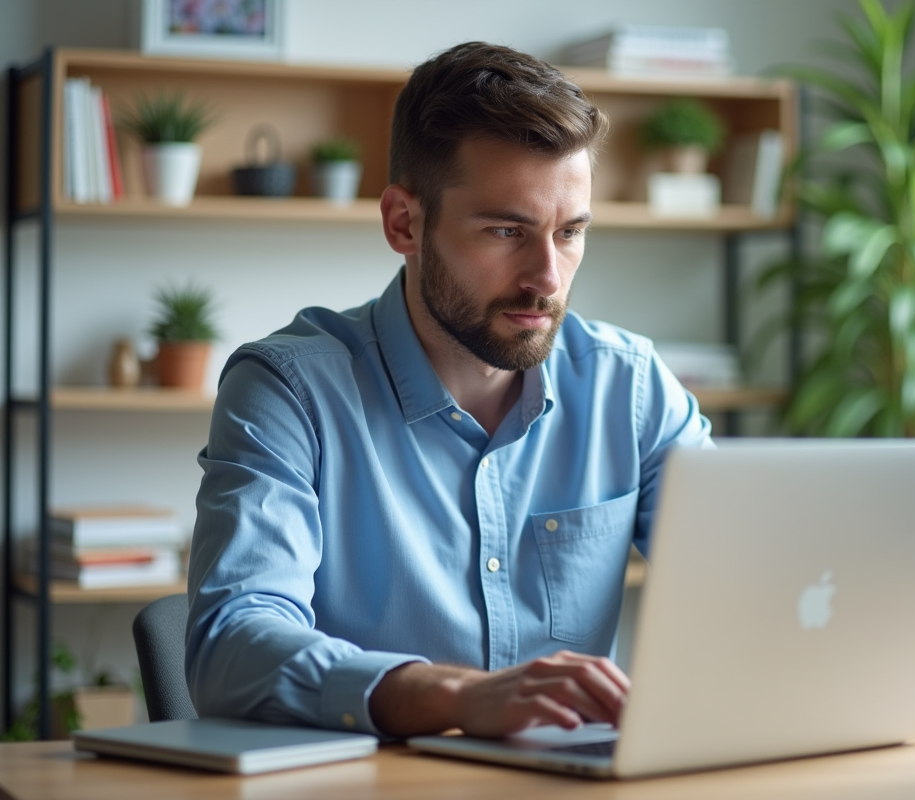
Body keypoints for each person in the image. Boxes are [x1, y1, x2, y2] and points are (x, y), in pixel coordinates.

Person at [184, 41, 712, 740]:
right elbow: (230, 644)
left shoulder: (631, 385)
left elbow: (755, 572)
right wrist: (457, 697)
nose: (548, 277)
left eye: (571, 232)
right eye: (506, 230)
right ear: (404, 222)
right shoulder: (290, 391)